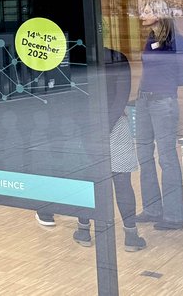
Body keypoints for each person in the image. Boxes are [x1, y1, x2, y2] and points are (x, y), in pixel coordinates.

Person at [72, 47, 147, 252]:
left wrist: (88, 127)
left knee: (89, 181)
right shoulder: (117, 58)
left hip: (88, 127)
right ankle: (131, 236)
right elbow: (121, 97)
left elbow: (74, 96)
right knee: (122, 182)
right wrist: (107, 124)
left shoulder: (77, 58)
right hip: (115, 125)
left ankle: (84, 230)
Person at [134, 0, 183, 231]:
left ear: (160, 14)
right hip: (143, 101)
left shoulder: (177, 41)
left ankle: (174, 216)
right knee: (144, 156)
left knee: (166, 158)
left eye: (147, 11)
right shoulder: (151, 39)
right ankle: (152, 209)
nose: (142, 15)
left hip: (163, 102)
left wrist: (163, 86)